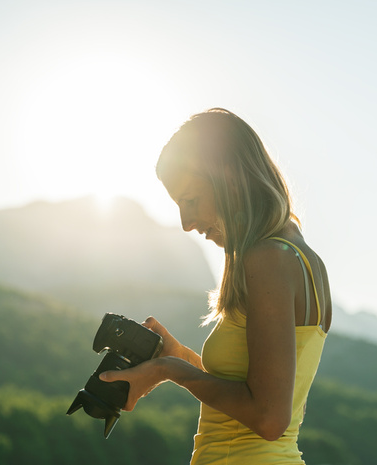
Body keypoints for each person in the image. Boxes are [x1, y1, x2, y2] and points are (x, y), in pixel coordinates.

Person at [100, 108, 332, 464]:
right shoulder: (301, 259)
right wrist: (177, 357)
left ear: (230, 178)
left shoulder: (267, 258)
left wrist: (168, 371)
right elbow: (248, 395)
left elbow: (268, 418)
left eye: (190, 200)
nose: (186, 222)